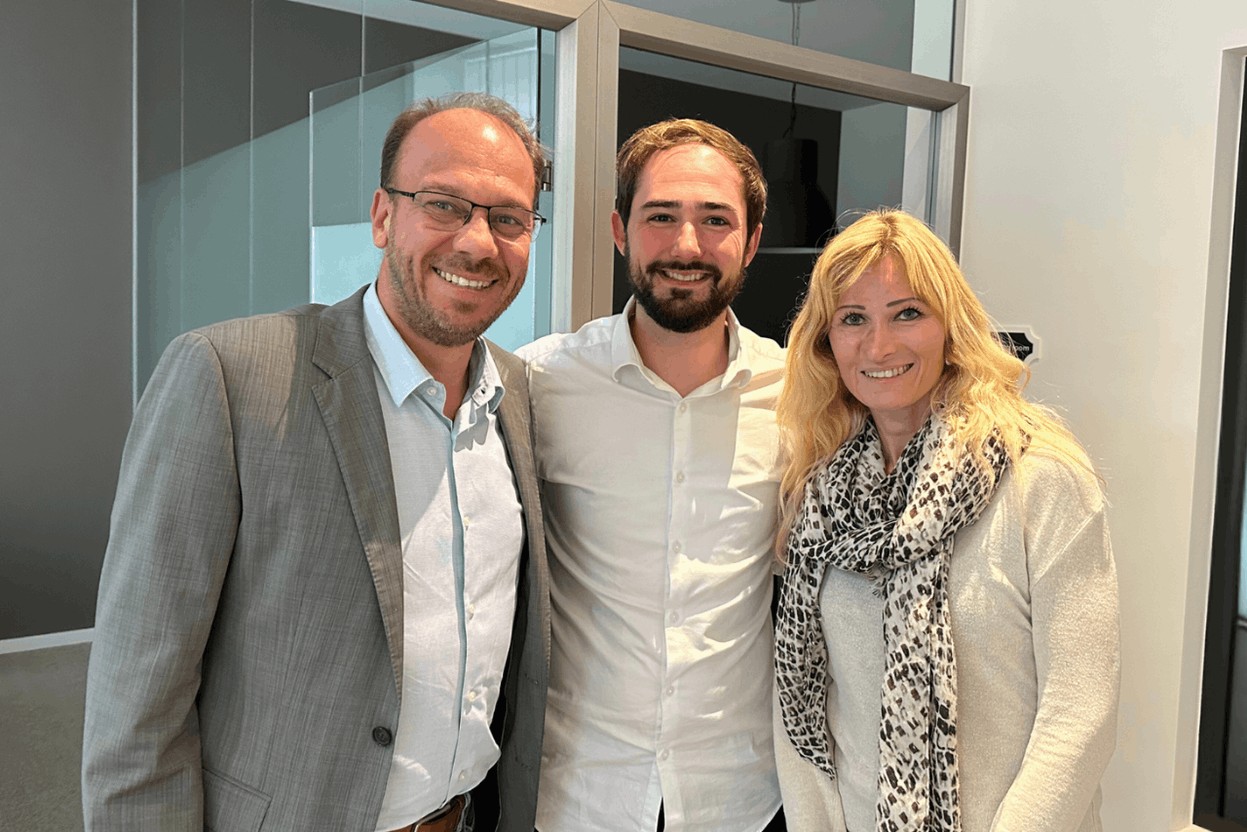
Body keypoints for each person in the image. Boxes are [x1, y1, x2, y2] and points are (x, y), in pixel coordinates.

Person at [81, 92, 550, 832]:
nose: (477, 242)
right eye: (445, 205)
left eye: (508, 218)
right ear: (381, 216)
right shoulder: (229, 376)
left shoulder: (520, 399)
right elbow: (136, 700)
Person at [772, 209, 1120, 832]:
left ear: (951, 327)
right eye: (853, 319)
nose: (879, 346)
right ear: (826, 344)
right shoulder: (820, 498)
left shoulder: (1039, 479)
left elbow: (1081, 711)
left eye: (908, 313)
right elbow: (802, 707)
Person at [517, 119, 785, 832]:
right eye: (660, 216)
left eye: (715, 220)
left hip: (741, 797)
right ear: (619, 229)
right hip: (576, 793)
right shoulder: (541, 383)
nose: (686, 246)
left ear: (751, 239)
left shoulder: (801, 397)